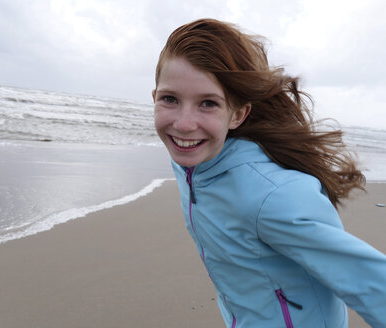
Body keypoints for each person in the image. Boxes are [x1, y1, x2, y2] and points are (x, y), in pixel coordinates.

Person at [152, 18, 386, 327]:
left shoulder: (273, 195)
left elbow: (370, 282)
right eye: (171, 99)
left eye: (208, 103)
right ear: (154, 97)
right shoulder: (193, 167)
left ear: (238, 114)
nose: (183, 123)